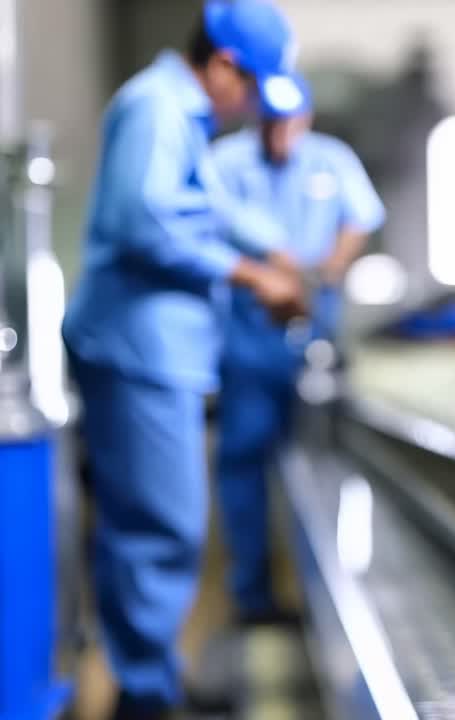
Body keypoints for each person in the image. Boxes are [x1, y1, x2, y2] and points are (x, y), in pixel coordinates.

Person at [61, 2, 306, 718]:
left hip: (154, 353)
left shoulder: (183, 117)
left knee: (149, 522)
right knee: (163, 526)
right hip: (136, 350)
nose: (253, 108)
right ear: (225, 66)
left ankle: (151, 674)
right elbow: (143, 223)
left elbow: (212, 207)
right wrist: (252, 275)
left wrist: (275, 249)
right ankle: (146, 697)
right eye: (254, 90)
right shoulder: (156, 107)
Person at [210, 72, 385, 623]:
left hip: (315, 328)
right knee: (245, 460)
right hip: (249, 334)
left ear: (305, 120)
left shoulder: (330, 159)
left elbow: (361, 217)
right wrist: (272, 269)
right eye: (270, 124)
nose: (280, 136)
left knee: (319, 460)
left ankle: (326, 591)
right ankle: (253, 595)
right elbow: (211, 226)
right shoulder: (227, 163)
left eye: (290, 125)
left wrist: (329, 267)